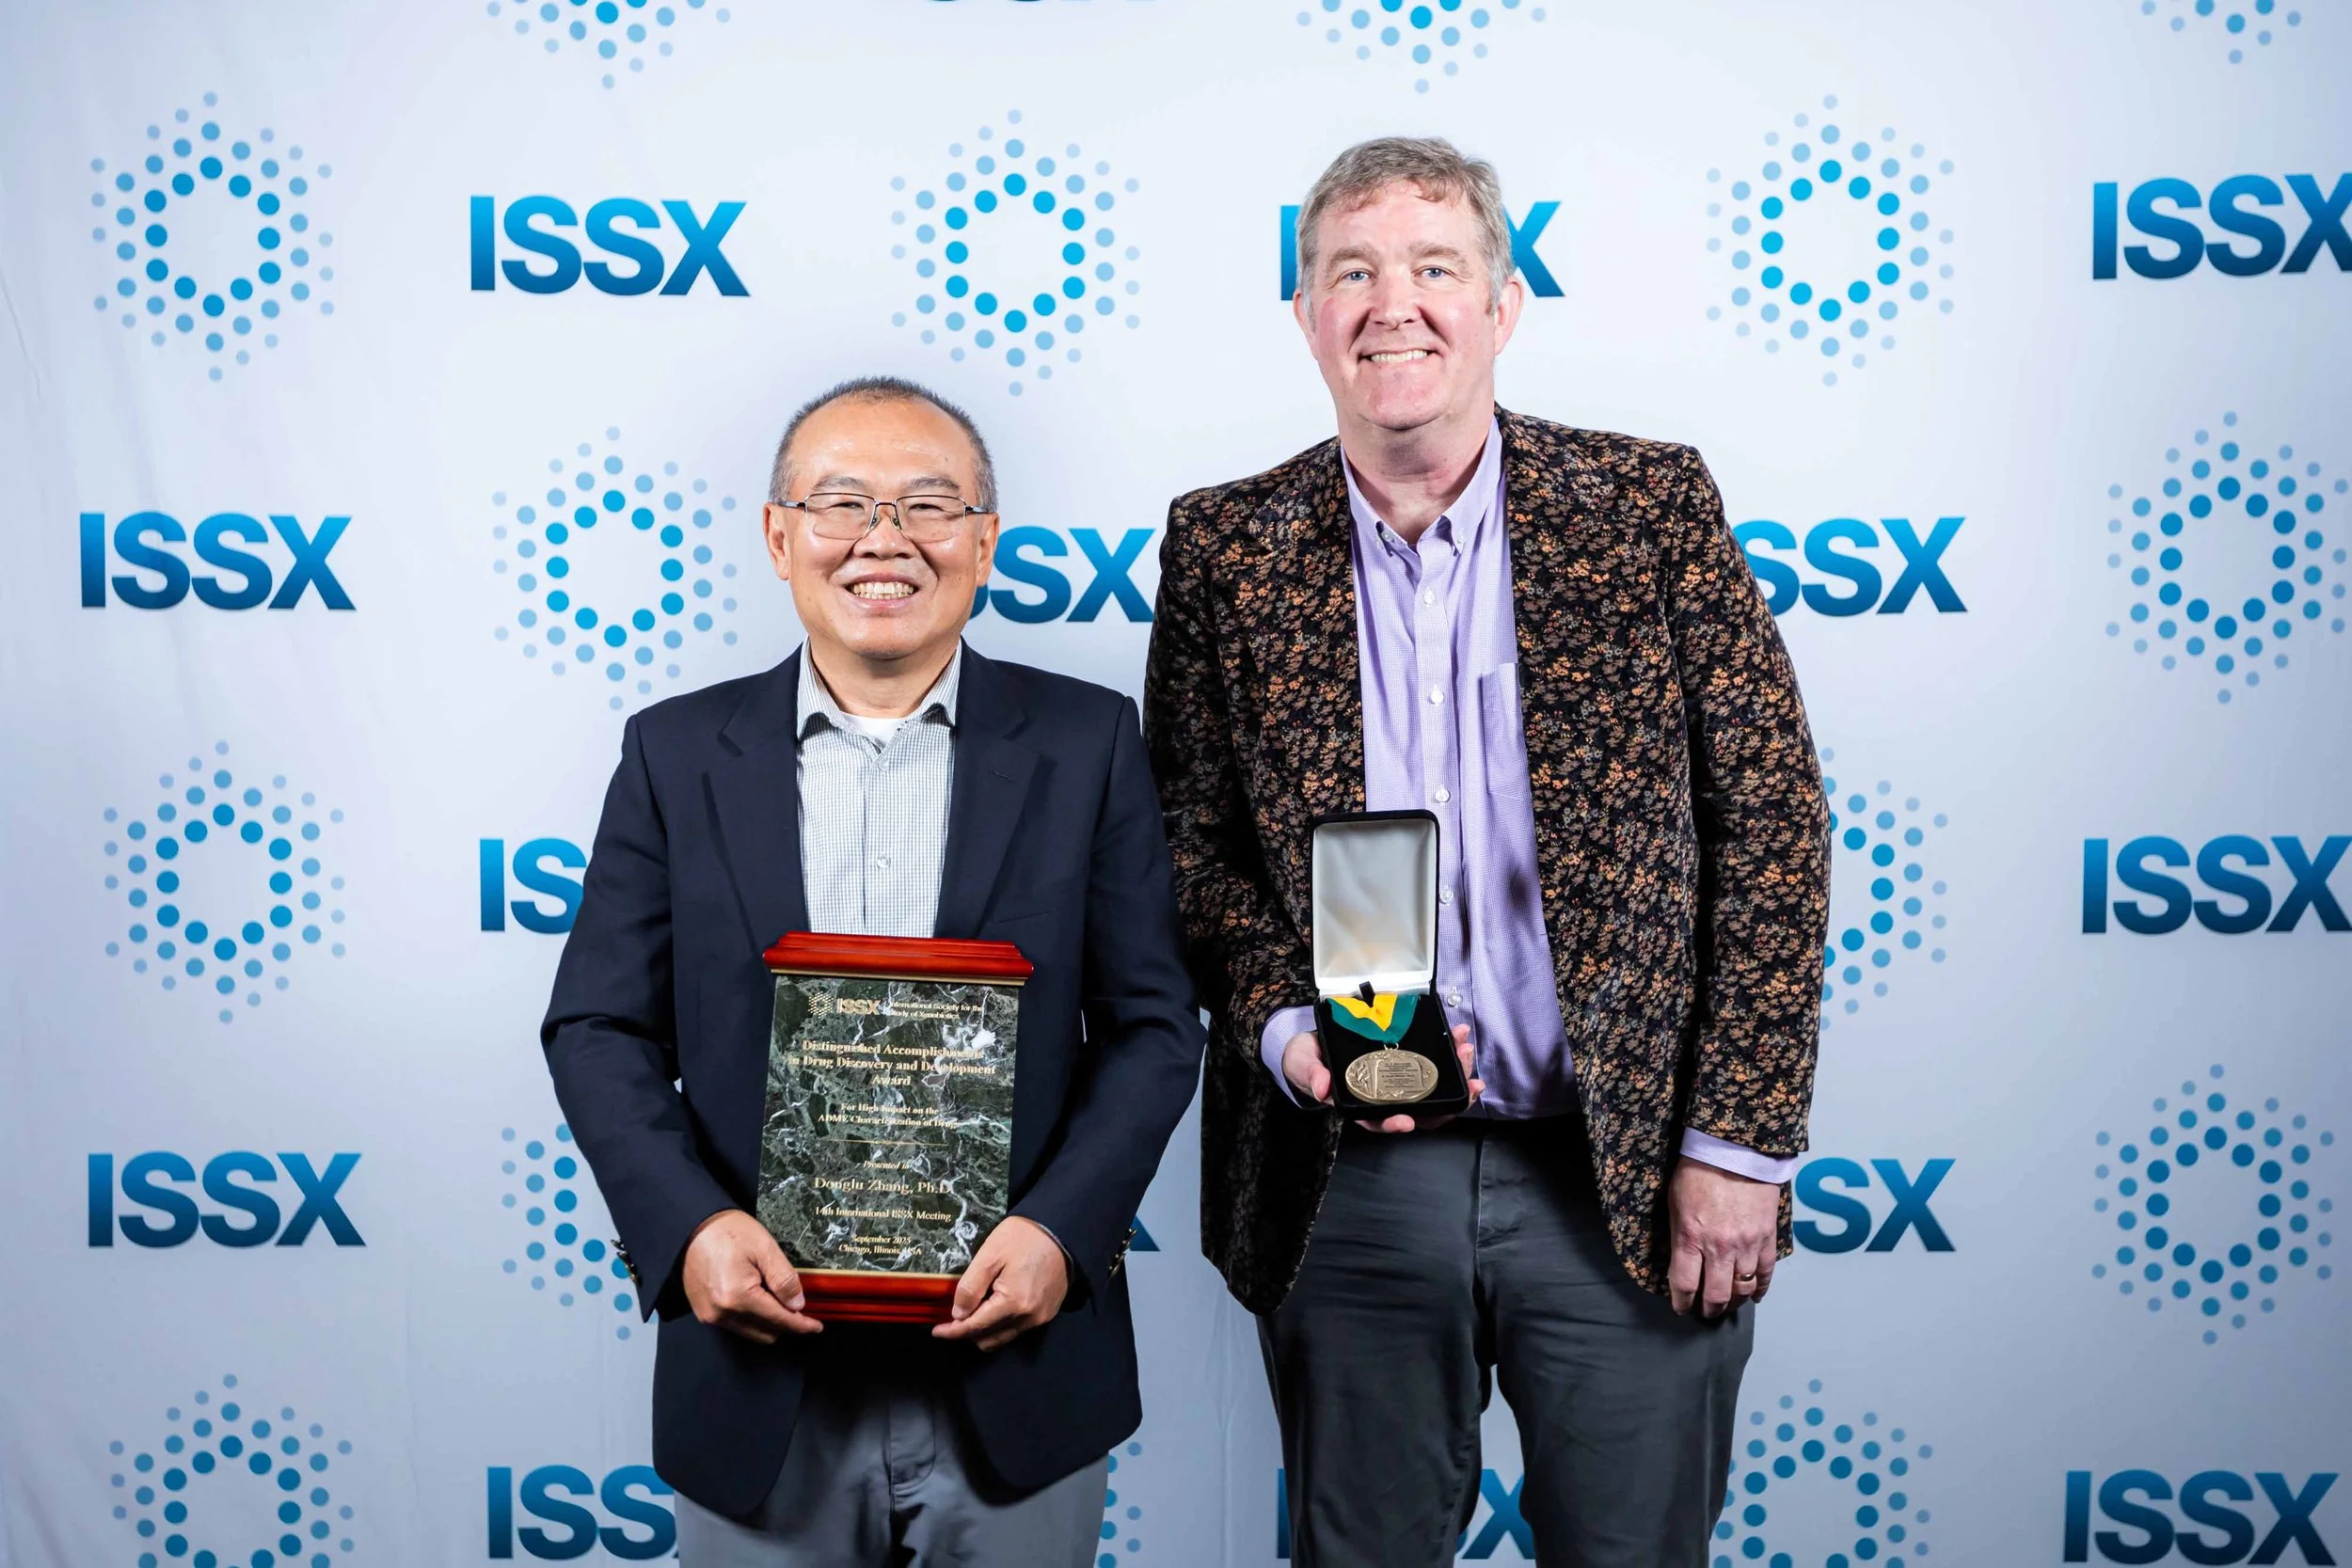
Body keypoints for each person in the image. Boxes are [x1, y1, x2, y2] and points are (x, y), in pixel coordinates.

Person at [1142, 138, 1832, 1566]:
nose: (1394, 304)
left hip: (1626, 1166)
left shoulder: (1646, 507)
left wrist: (1738, 1140)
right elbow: (1193, 849)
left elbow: (1768, 816)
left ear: (1504, 305)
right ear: (1307, 316)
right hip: (1353, 1171)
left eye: (1435, 267)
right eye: (1352, 272)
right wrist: (1286, 1031)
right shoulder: (1225, 544)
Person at [543, 376, 1203, 1566]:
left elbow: (1155, 1025)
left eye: (929, 505)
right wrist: (689, 1229)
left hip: (1018, 1365)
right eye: (842, 502)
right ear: (778, 533)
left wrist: (1064, 1229)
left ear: (985, 542)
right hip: (758, 1369)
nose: (883, 540)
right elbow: (598, 1025)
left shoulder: (1087, 742)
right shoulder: (675, 753)